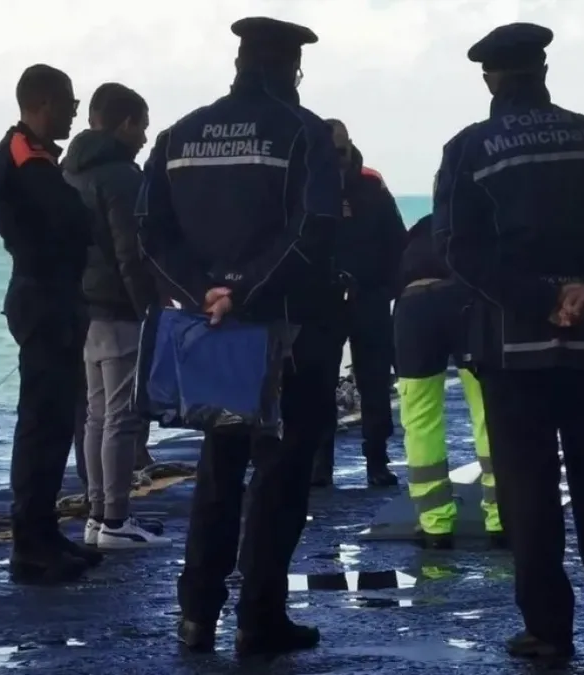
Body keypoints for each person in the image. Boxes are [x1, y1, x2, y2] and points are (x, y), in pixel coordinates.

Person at [433, 23, 584, 660]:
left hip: (513, 351)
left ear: (490, 78)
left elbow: (458, 249)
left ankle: (549, 630)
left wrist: (536, 300)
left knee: (529, 494)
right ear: (542, 71)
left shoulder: (471, 148)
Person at [136, 17, 343, 656]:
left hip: (211, 329)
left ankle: (196, 613)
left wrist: (205, 290)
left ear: (238, 63)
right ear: (292, 70)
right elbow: (316, 230)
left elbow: (149, 228)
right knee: (279, 480)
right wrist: (246, 289)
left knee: (219, 471)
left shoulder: (179, 134)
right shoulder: (303, 132)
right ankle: (261, 618)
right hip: (289, 329)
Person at [0, 64, 104, 582]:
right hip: (42, 298)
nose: (76, 111)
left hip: (54, 297)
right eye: (69, 102)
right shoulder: (23, 155)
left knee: (56, 423)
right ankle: (29, 541)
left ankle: (44, 530)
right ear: (42, 104)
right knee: (40, 423)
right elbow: (69, 216)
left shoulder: (39, 156)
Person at [63, 83, 170, 550]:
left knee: (95, 413)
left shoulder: (70, 171)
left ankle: (94, 514)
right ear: (125, 123)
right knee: (121, 418)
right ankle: (115, 519)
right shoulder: (123, 178)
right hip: (120, 308)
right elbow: (131, 252)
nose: (145, 136)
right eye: (142, 125)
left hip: (84, 308)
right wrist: (150, 306)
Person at [393, 214, 504, 550]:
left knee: (420, 415)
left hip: (412, 307)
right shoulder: (479, 222)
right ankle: (501, 518)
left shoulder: (419, 230)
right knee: (488, 409)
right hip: (464, 301)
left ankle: (435, 525)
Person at [310, 118, 406, 488]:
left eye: (341, 151)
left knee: (376, 383)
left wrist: (386, 287)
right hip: (322, 301)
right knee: (318, 385)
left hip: (370, 297)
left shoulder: (371, 184)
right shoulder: (308, 185)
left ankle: (377, 460)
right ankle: (320, 463)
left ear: (350, 147)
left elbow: (397, 241)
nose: (337, 160)